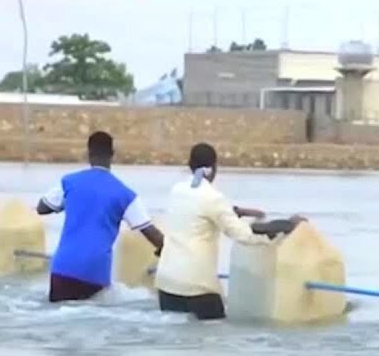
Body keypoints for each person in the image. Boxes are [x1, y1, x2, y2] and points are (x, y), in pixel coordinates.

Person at [154, 142, 307, 320]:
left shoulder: (177, 190)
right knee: (213, 341)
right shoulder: (213, 197)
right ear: (214, 167)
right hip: (196, 287)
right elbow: (244, 235)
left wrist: (234, 211)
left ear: (189, 165)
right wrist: (286, 225)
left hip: (167, 283)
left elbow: (197, 213)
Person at [36, 131, 164, 303]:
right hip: (95, 274)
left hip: (63, 268)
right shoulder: (125, 194)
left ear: (88, 153)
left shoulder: (68, 182)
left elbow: (42, 208)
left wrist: (69, 201)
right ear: (112, 155)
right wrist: (168, 250)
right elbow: (151, 233)